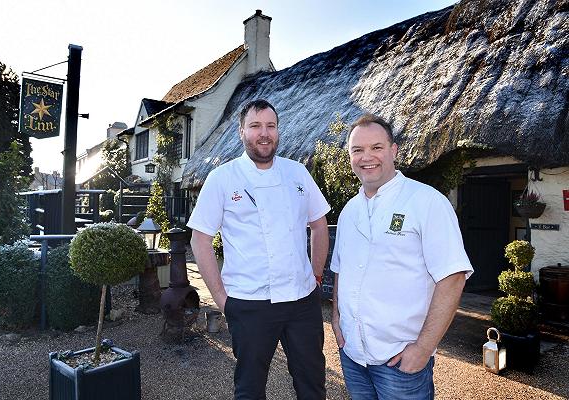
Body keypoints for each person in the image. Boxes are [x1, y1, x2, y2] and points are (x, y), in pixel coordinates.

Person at [188, 99, 330, 400]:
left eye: (270, 126)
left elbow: (319, 224)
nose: (263, 133)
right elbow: (199, 239)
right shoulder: (222, 178)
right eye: (255, 126)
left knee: (313, 385)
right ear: (242, 132)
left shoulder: (297, 173)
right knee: (250, 389)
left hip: (302, 301)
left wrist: (315, 277)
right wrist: (222, 299)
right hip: (250, 303)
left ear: (277, 131)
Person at [330, 113, 473, 400]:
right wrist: (336, 318)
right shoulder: (349, 211)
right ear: (349, 157)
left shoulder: (427, 202)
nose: (366, 157)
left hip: (399, 361)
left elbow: (453, 277)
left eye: (376, 147)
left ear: (394, 150)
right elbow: (341, 270)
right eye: (357, 150)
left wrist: (422, 349)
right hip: (353, 357)